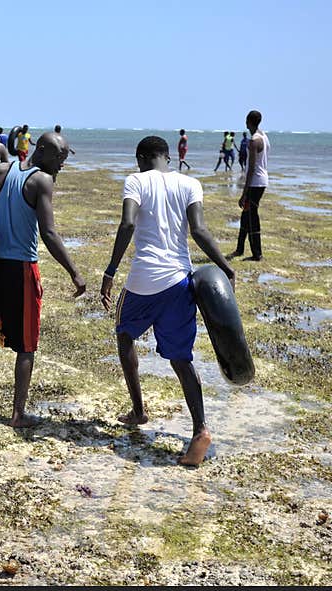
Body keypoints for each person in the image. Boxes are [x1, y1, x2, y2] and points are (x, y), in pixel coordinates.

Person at [100, 136, 236, 466]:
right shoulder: (190, 183)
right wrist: (226, 267)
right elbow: (200, 231)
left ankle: (138, 410)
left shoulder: (136, 181)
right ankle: (200, 429)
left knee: (124, 334)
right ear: (168, 158)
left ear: (141, 157)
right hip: (180, 281)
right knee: (181, 359)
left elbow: (128, 223)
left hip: (143, 279)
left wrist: (110, 270)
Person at [0, 132, 86, 427]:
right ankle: (17, 414)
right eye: (60, 158)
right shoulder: (41, 182)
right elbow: (48, 233)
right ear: (45, 152)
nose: (62, 164)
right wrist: (74, 272)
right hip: (21, 268)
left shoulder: (2, 170)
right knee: (27, 345)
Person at [231, 110, 269, 261]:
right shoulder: (264, 136)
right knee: (245, 215)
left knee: (252, 216)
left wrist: (244, 193)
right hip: (261, 180)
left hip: (255, 182)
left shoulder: (254, 140)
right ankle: (240, 249)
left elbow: (251, 168)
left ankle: (257, 254)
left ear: (248, 121)